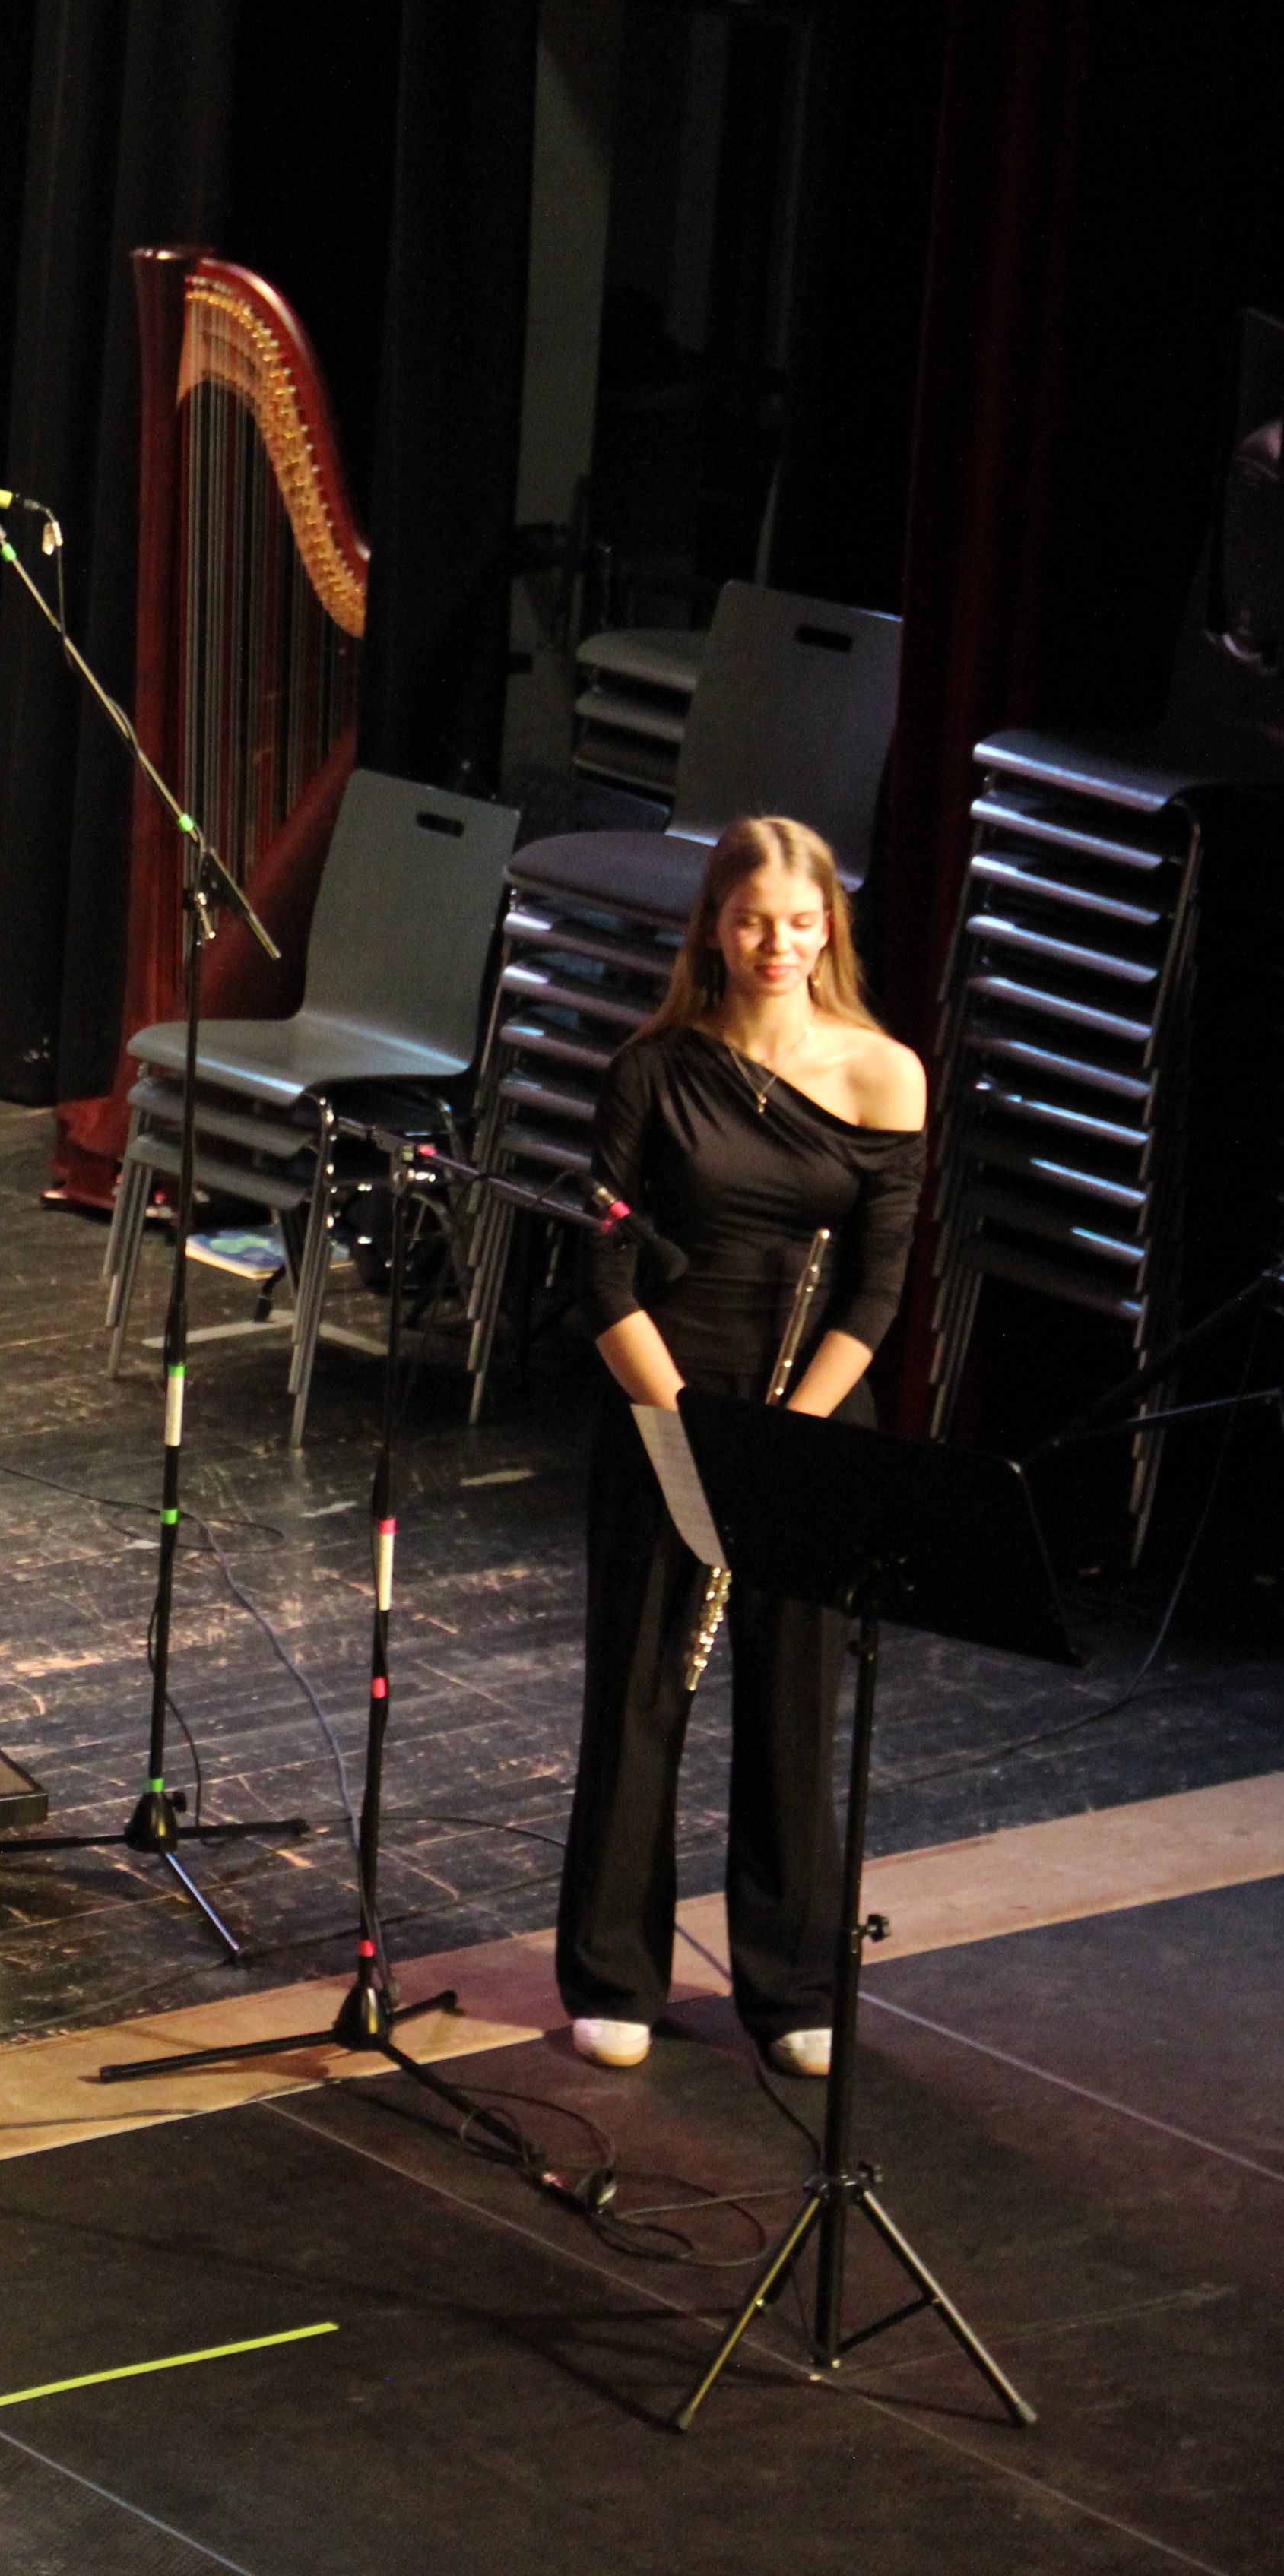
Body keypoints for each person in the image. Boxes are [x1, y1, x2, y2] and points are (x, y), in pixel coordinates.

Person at [560, 817, 926, 2083]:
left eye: (800, 921)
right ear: (712, 928)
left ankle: (790, 1986)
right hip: (664, 1406)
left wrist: (781, 1438)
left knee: (792, 1708)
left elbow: (875, 1290)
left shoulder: (883, 1075)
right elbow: (602, 1277)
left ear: (828, 929)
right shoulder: (652, 1069)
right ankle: (613, 1974)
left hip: (804, 1422)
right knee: (636, 1694)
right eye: (752, 919)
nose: (778, 943)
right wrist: (687, 1434)